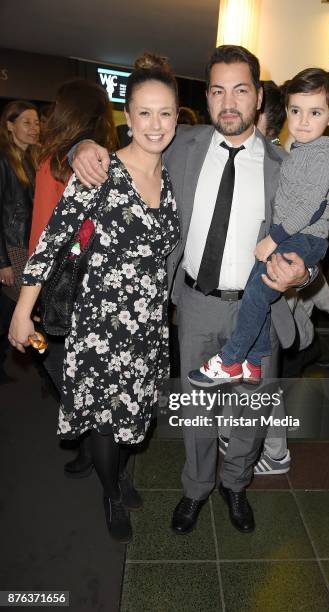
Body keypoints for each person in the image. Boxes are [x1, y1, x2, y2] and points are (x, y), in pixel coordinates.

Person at [70, 45, 313, 535]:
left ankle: (236, 485)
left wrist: (301, 275)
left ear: (258, 97)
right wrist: (80, 149)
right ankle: (196, 488)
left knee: (247, 414)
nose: (229, 102)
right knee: (197, 409)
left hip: (258, 308)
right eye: (218, 90)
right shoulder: (183, 144)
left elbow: (310, 247)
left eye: (240, 90)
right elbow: (127, 146)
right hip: (197, 304)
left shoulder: (288, 169)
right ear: (207, 98)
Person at [8, 53, 180, 543]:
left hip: (147, 323)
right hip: (102, 322)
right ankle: (110, 490)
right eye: (144, 112)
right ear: (128, 116)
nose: (155, 124)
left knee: (133, 417)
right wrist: (23, 312)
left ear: (175, 119)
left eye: (165, 113)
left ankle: (121, 475)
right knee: (105, 421)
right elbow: (51, 242)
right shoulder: (100, 171)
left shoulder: (168, 179)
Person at [188, 67, 329, 388]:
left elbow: (312, 208)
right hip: (198, 300)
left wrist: (275, 239)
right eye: (296, 111)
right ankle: (252, 362)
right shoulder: (296, 152)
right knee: (256, 295)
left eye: (315, 112)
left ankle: (231, 360)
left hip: (298, 240)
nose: (302, 121)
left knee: (256, 295)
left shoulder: (322, 153)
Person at [28, 79, 118, 478]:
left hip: (62, 292)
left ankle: (90, 445)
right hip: (103, 292)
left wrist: (28, 298)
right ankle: (93, 451)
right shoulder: (112, 160)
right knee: (94, 377)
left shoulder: (54, 164)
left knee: (64, 371)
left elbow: (41, 235)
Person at [0, 100, 39, 381]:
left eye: (37, 122)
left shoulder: (32, 159)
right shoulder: (3, 160)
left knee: (24, 307)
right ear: (10, 126)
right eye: (26, 122)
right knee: (12, 310)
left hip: (29, 246)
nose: (34, 128)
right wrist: (2, 261)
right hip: (12, 248)